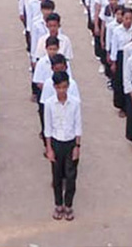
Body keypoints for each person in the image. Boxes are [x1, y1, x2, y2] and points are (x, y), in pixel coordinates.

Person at [44, 71, 81, 221]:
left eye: (64, 87)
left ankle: (69, 205)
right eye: (58, 87)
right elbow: (47, 128)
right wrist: (49, 149)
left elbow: (78, 125)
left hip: (71, 142)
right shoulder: (49, 104)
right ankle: (58, 204)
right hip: (56, 143)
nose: (61, 90)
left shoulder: (75, 103)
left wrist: (77, 146)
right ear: (54, 87)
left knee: (71, 177)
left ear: (68, 86)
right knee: (57, 176)